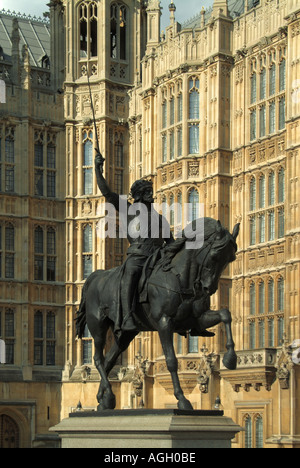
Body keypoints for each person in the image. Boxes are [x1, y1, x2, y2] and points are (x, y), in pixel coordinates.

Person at [95, 152, 174, 333]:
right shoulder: (128, 209)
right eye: (147, 192)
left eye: (151, 191)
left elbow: (170, 243)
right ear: (138, 195)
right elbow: (107, 193)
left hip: (157, 259)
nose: (151, 194)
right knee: (130, 273)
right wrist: (98, 169)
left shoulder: (160, 219)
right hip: (138, 256)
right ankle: (127, 316)